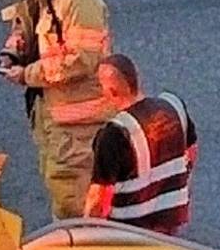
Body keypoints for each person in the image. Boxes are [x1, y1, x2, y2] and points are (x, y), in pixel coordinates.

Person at [0, 0, 112, 219]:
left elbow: (81, 59)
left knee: (75, 202)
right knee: (59, 187)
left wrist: (27, 74)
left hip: (78, 126)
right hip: (53, 116)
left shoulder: (79, 2)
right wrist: (13, 51)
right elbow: (25, 25)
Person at [84, 54, 198, 235]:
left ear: (111, 92)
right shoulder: (173, 105)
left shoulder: (114, 133)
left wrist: (89, 234)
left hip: (130, 231)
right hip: (170, 223)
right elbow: (191, 152)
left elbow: (98, 198)